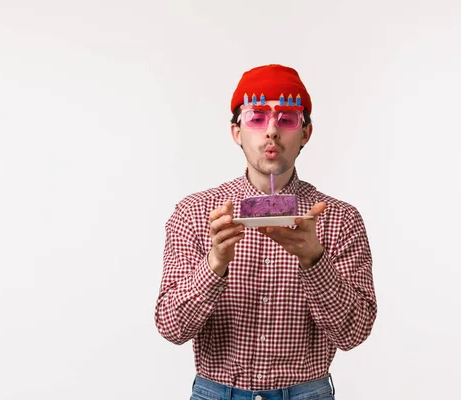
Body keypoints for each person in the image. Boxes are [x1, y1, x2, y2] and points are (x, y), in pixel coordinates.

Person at [155, 64, 377, 400]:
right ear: (236, 132)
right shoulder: (195, 213)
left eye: (286, 119)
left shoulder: (339, 218)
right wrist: (214, 263)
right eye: (256, 118)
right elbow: (172, 328)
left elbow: (353, 333)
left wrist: (314, 260)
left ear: (305, 133)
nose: (271, 131)